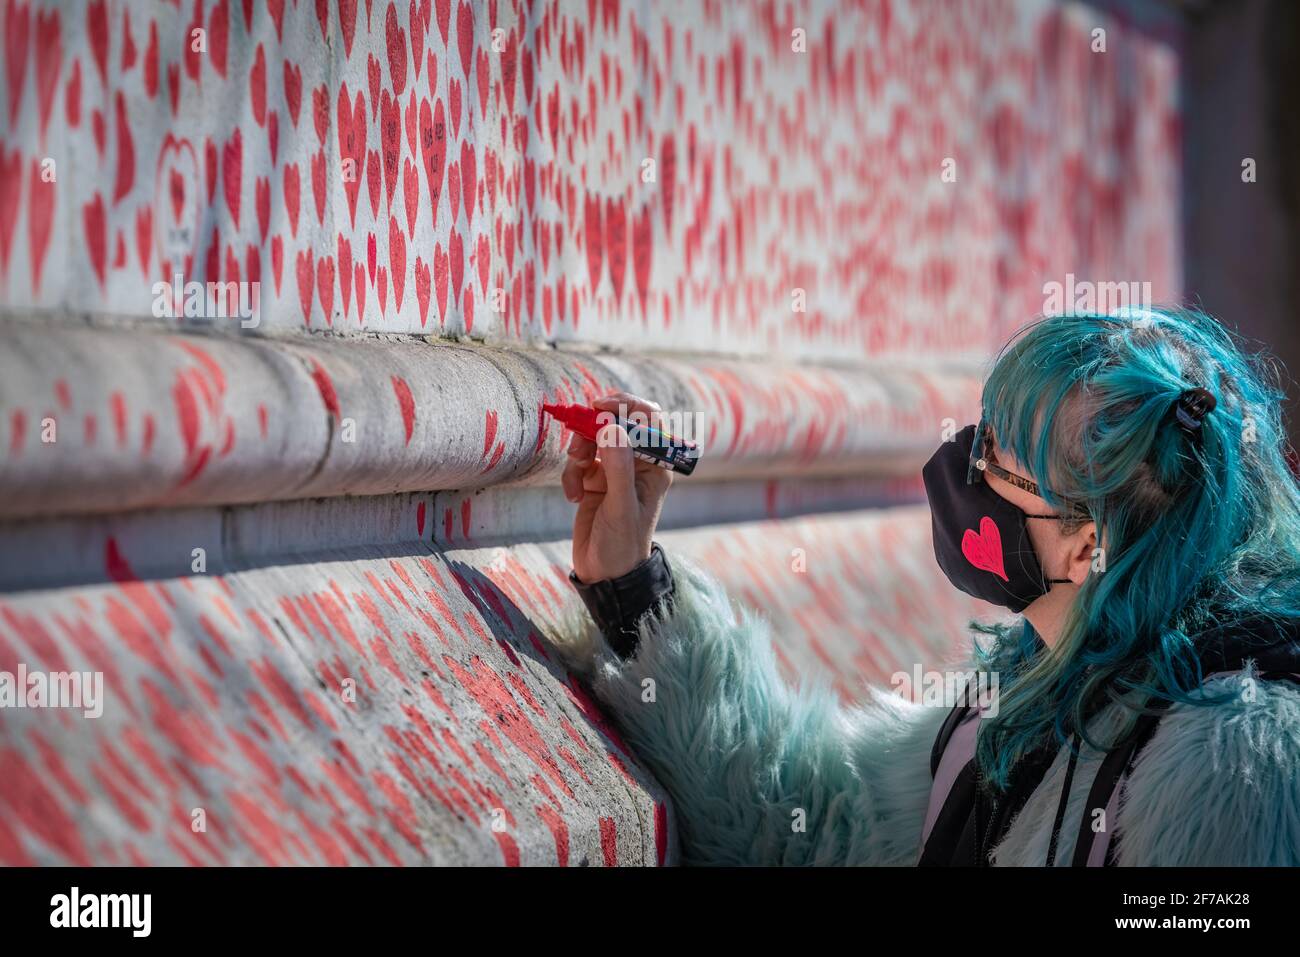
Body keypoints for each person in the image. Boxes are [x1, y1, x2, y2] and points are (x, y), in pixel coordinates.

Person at [558, 307, 1300, 866]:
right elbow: (818, 826)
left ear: (1082, 545)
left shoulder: (1233, 768)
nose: (962, 465)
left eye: (995, 455)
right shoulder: (1039, 684)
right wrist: (632, 586)